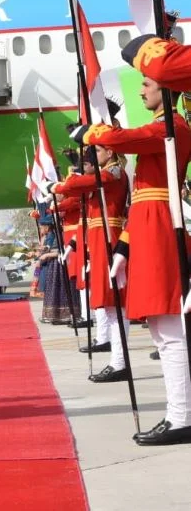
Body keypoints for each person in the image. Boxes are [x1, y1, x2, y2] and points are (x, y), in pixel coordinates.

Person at [72, 76, 191, 445]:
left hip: (162, 231)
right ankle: (179, 412)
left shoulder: (173, 128)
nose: (141, 91)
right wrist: (124, 247)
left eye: (147, 84)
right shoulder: (161, 130)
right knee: (163, 330)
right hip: (149, 230)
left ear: (166, 90)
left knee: (170, 333)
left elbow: (121, 139)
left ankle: (181, 416)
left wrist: (89, 131)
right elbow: (138, 203)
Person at [43, 145, 129, 381]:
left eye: (99, 151)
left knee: (115, 304)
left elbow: (75, 186)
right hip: (99, 239)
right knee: (108, 305)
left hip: (109, 238)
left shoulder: (114, 172)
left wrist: (60, 185)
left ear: (110, 153)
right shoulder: (105, 174)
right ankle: (117, 359)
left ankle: (120, 362)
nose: (96, 157)